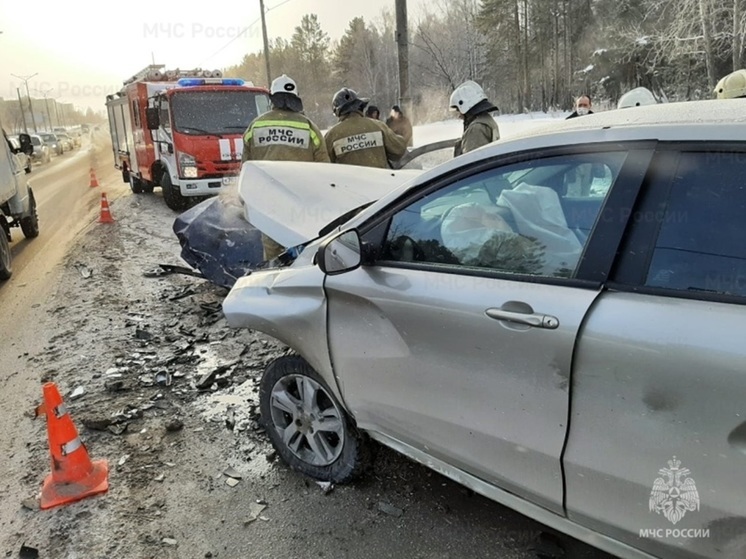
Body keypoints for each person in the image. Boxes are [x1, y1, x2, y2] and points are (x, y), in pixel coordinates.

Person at [241, 74, 330, 261]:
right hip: (302, 203)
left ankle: (274, 278)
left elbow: (246, 169)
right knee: (303, 248)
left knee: (272, 249)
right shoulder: (309, 127)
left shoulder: (256, 126)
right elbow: (325, 170)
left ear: (272, 98)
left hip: (269, 203)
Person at [324, 88, 408, 168]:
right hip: (380, 180)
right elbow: (399, 149)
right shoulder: (378, 125)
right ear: (359, 106)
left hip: (348, 182)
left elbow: (324, 165)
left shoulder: (331, 135)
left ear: (338, 112)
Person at [449, 80, 500, 157]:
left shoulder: (476, 129)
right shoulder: (486, 121)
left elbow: (471, 162)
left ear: (466, 107)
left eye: (459, 110)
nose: (459, 116)